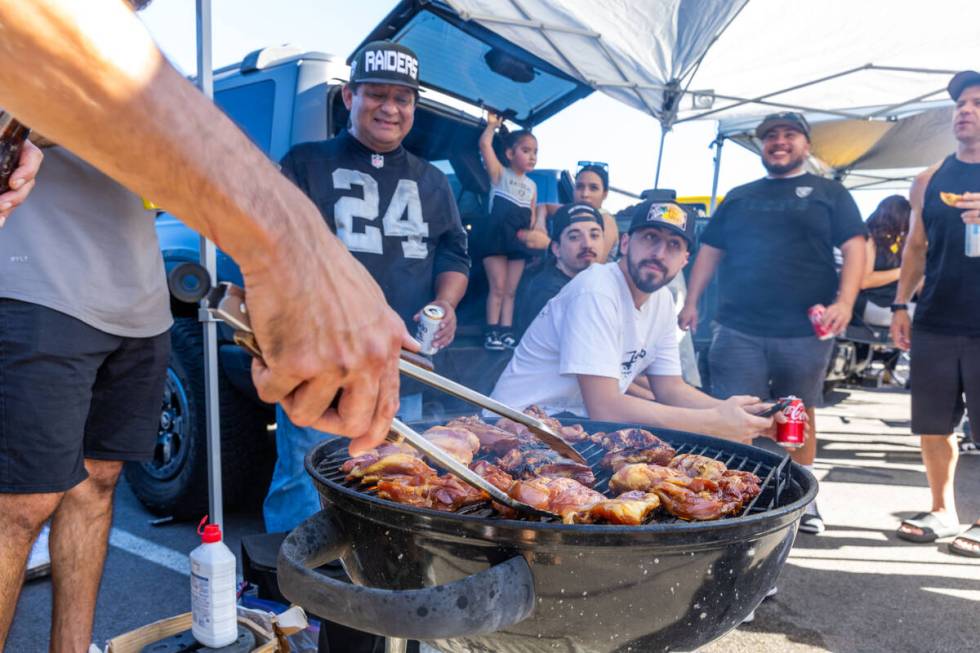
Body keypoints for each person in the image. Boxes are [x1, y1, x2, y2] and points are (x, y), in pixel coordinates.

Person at [0, 1, 415, 648]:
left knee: (99, 484)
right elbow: (44, 36)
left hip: (136, 300)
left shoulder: (143, 55)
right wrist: (294, 243)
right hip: (39, 288)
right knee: (20, 505)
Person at [264, 41, 470, 533]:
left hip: (403, 360)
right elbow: (277, 250)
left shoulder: (433, 181)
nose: (390, 108)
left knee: (391, 473)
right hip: (320, 358)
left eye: (402, 99)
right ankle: (286, 595)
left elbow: (454, 252)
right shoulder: (306, 162)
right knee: (304, 473)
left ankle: (369, 580)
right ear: (349, 96)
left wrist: (445, 302)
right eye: (376, 94)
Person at [679, 111, 868, 534]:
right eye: (770, 137)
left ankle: (802, 499)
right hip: (738, 327)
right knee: (732, 414)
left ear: (806, 144)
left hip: (803, 331)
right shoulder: (740, 195)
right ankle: (727, 500)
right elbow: (709, 250)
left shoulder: (829, 193)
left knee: (796, 417)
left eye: (789, 135)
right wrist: (691, 300)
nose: (779, 142)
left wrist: (846, 301)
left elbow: (856, 247)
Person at [491, 199, 777, 443]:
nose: (659, 253)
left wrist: (740, 414)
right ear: (626, 243)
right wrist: (714, 422)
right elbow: (606, 408)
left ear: (684, 261)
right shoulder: (596, 287)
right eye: (650, 237)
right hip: (510, 429)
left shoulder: (663, 300)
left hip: (572, 427)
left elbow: (670, 389)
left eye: (673, 245)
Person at [891, 70, 980, 557]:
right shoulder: (929, 178)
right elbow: (916, 246)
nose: (966, 110)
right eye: (961, 103)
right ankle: (942, 510)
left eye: (977, 103)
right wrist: (901, 304)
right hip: (937, 318)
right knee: (933, 423)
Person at [479, 112, 538, 351]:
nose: (532, 156)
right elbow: (484, 145)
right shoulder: (500, 174)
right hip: (495, 238)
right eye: (526, 150)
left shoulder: (532, 185)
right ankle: (491, 331)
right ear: (510, 154)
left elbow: (531, 215)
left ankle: (506, 331)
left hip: (518, 240)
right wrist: (492, 126)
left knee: (511, 290)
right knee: (498, 287)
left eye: (535, 152)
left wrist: (531, 242)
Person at [513, 202, 604, 338]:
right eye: (574, 237)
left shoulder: (598, 282)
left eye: (594, 235)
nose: (587, 244)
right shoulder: (549, 295)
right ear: (556, 249)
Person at [857, 195, 913, 326]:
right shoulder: (868, 240)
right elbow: (864, 281)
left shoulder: (896, 240)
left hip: (895, 299)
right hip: (872, 302)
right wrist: (904, 271)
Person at [572, 162, 620, 261]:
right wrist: (540, 224)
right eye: (580, 187)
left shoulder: (606, 221)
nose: (585, 194)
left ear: (605, 194)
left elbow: (594, 264)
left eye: (593, 188)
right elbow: (545, 207)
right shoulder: (570, 212)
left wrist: (549, 245)